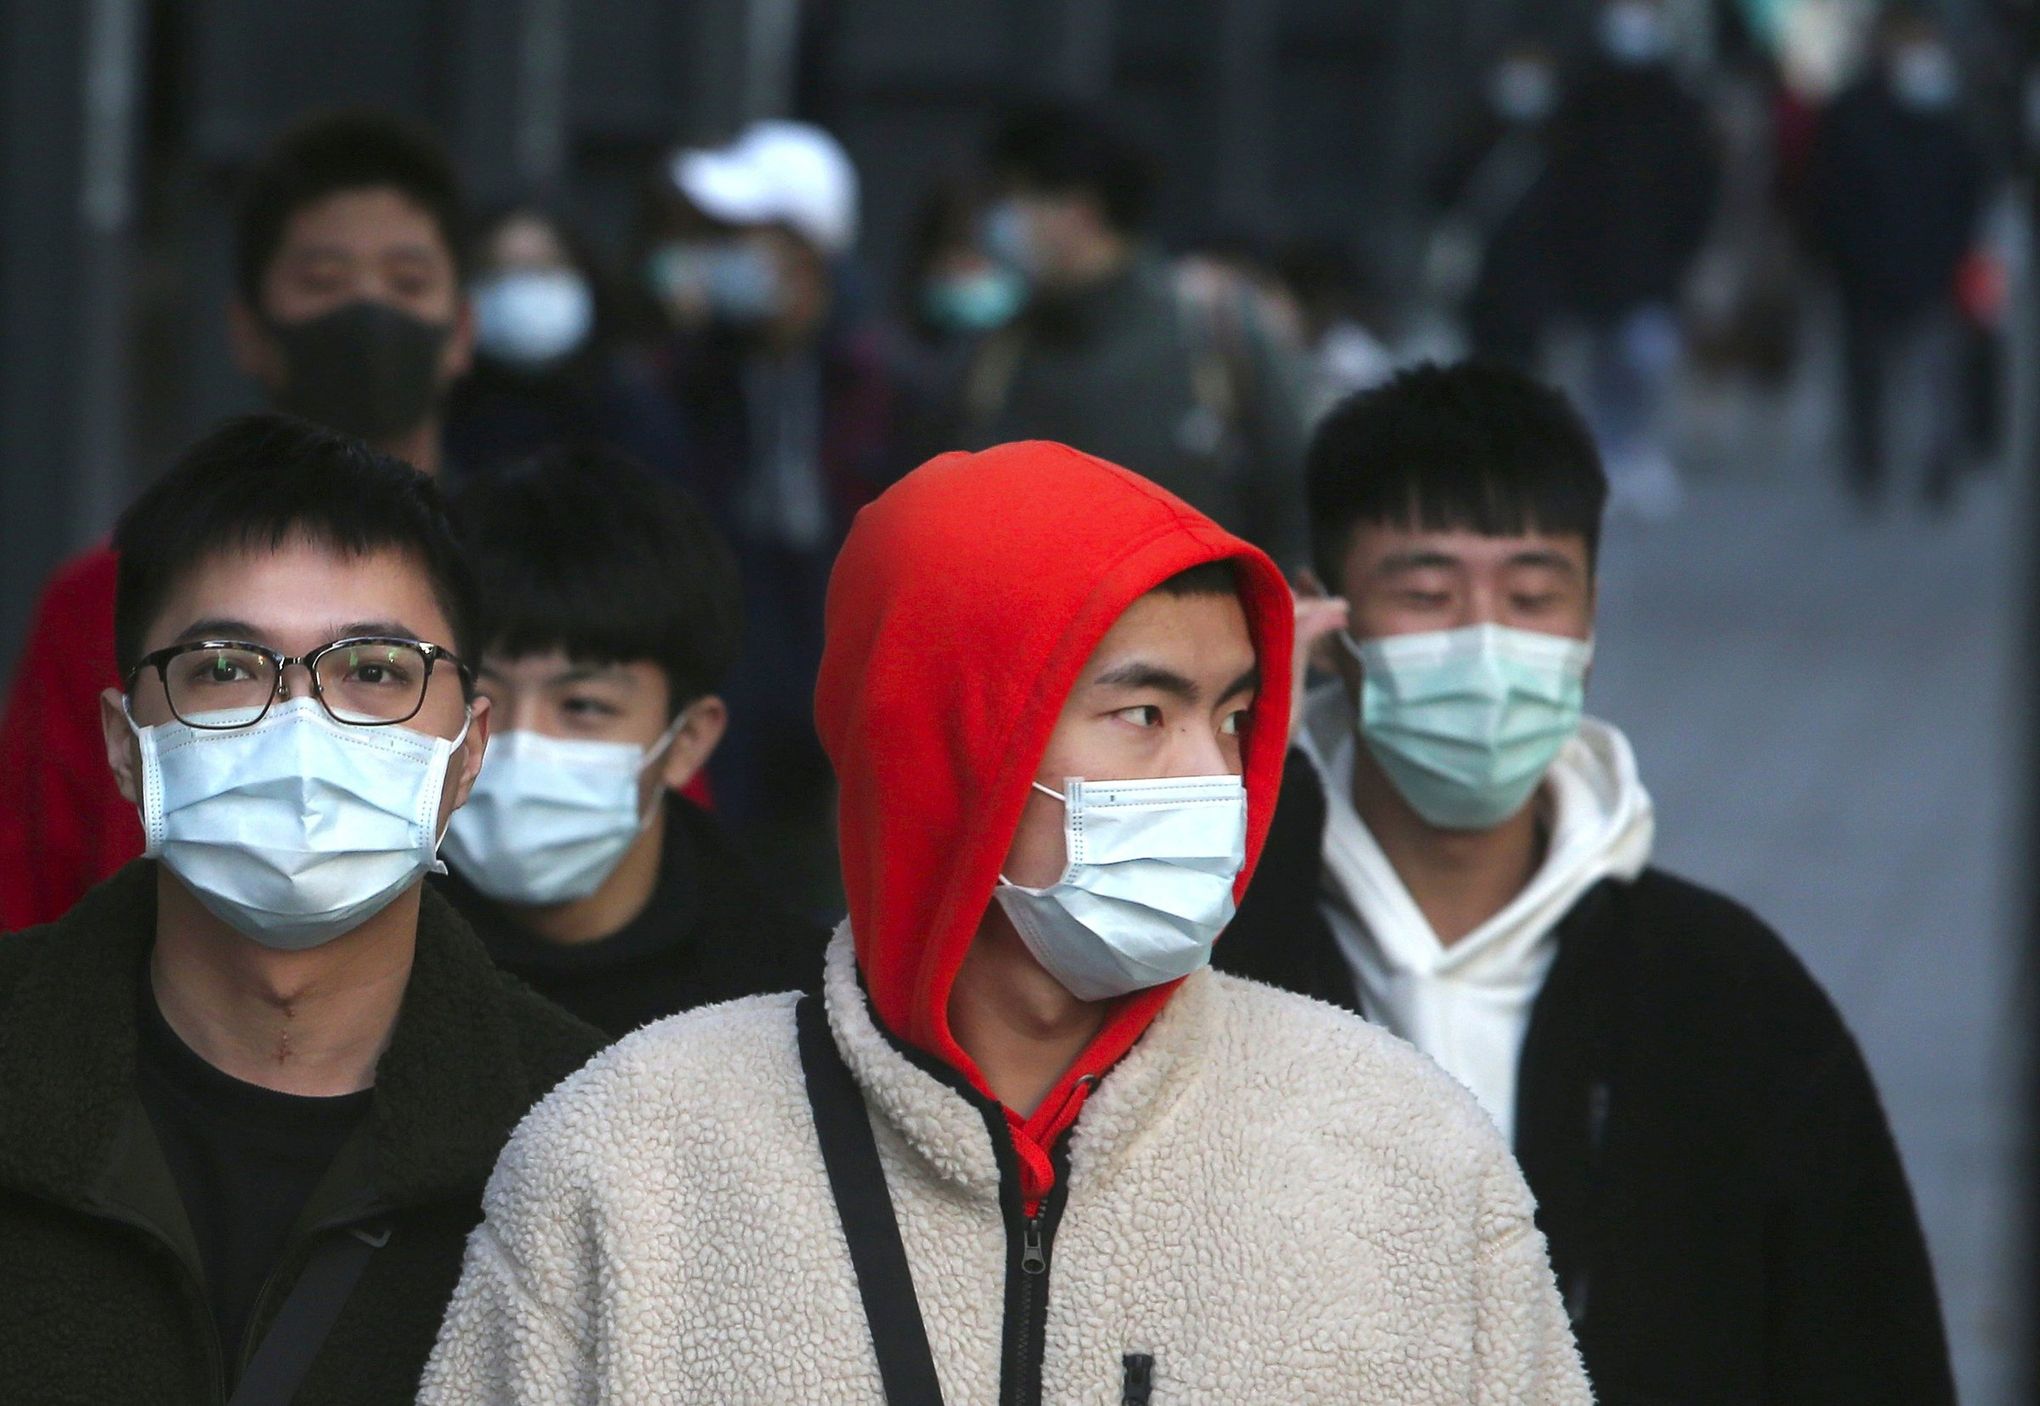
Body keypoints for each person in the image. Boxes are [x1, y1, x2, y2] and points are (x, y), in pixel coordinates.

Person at [419, 439, 1590, 1403]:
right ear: (950, 743)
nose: (1212, 775)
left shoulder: (1405, 1148)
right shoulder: (630, 1156)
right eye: (1142, 711)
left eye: (1235, 716)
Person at [1215, 362, 1956, 1405]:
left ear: (1589, 621)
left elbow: (1868, 1353)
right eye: (1425, 592)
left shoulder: (1727, 991)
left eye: (1531, 594)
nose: (1485, 641)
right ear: (1324, 624)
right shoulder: (1217, 951)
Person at [0, 414, 601, 1403]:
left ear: (470, 749)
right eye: (226, 670)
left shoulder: (592, 1142)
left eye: (374, 672)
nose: (301, 730)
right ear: (123, 742)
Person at [0, 108, 475, 931]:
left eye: (407, 281)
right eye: (224, 670)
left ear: (460, 330)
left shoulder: (535, 585)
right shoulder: (103, 602)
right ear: (248, 331)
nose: (367, 312)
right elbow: (30, 881)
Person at [435, 446, 828, 1038]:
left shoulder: (790, 1009)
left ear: (688, 741)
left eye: (583, 706)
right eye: (478, 699)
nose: (517, 742)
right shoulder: (349, 970)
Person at [635, 118, 899, 900]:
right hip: (728, 696)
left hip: (845, 699)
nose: (715, 255)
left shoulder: (884, 380)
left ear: (805, 249)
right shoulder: (686, 379)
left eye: (737, 236)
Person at [953, 104, 1310, 564]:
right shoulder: (992, 361)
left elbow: (1294, 504)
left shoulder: (1216, 333)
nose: (999, 224)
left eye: (1017, 197)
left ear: (1081, 211)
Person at [1539, 0, 1719, 519]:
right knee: (1601, 362)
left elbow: (1697, 184)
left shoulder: (1676, 102)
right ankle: (1609, 457)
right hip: (1592, 260)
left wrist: (1682, 246)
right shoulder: (1583, 96)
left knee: (1644, 357)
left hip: (1653, 263)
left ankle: (1636, 450)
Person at [1807, 8, 1987, 509]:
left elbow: (1971, 190)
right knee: (1872, 380)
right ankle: (1871, 465)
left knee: (1936, 376)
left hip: (1936, 272)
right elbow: (1829, 197)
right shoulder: (1853, 112)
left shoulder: (1952, 113)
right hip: (1868, 274)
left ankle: (1936, 467)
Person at [442, 205, 688, 482]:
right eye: (499, 271)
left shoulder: (634, 414)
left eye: (543, 269)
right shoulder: (439, 418)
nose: (525, 290)